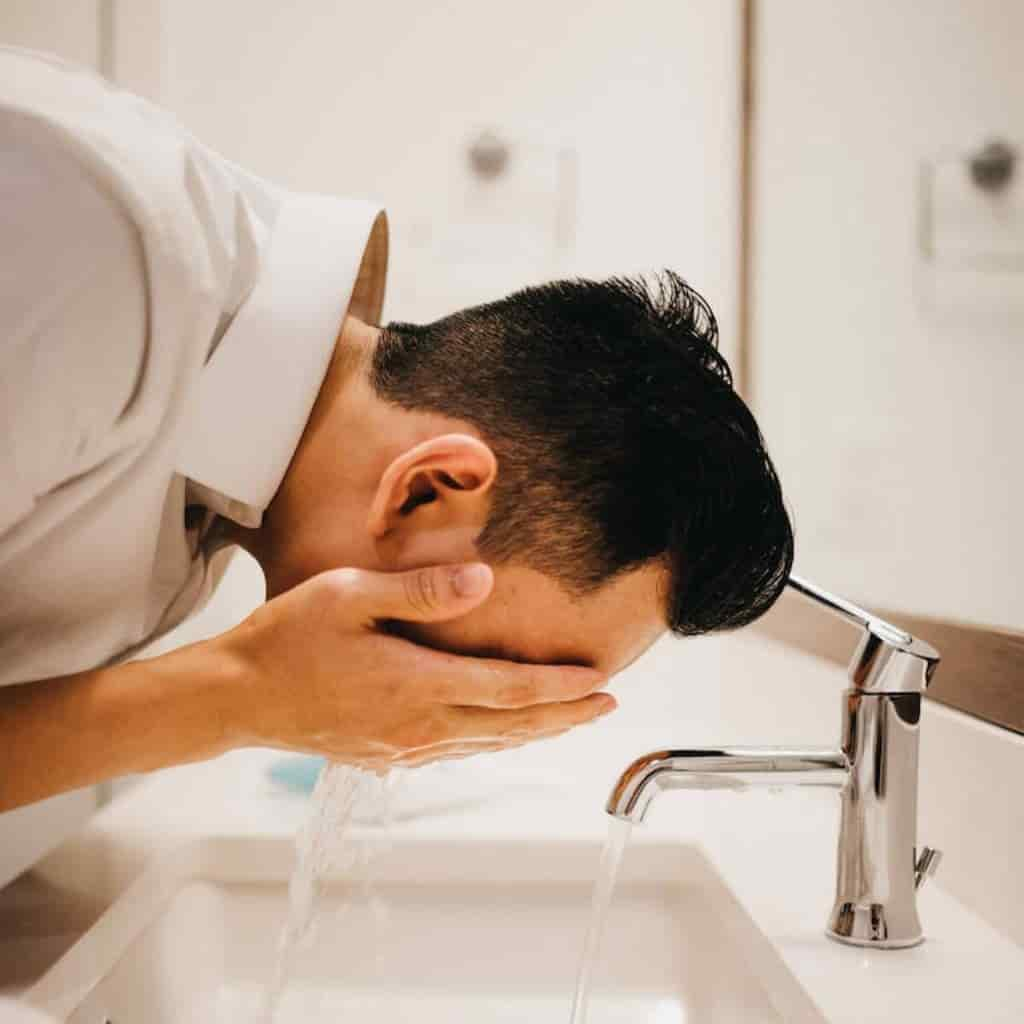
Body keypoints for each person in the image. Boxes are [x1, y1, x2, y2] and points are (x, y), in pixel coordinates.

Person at [0, 47, 793, 813]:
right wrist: (236, 694)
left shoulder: (208, 509)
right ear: (426, 490)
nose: (422, 719)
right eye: (480, 670)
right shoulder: (87, 252)